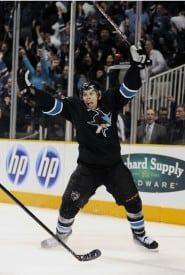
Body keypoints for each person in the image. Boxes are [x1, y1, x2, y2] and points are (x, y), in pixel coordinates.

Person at [17, 42, 158, 250]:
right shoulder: (75, 106)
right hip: (88, 168)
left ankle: (140, 234)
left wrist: (136, 67)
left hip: (114, 166)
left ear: (99, 95)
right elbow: (54, 105)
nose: (87, 97)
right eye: (84, 94)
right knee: (69, 203)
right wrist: (31, 92)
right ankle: (62, 234)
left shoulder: (111, 100)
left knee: (133, 201)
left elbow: (130, 88)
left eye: (91, 93)